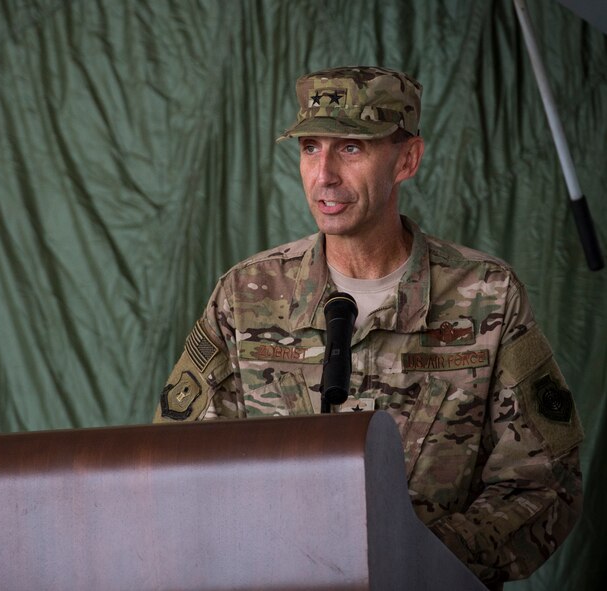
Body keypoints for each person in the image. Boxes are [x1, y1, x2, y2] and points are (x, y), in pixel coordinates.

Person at [153, 66, 583, 589]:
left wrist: (421, 559)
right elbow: (175, 468)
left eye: (351, 148)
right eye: (311, 147)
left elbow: (544, 481)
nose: (324, 174)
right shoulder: (246, 297)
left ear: (407, 159)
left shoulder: (487, 296)